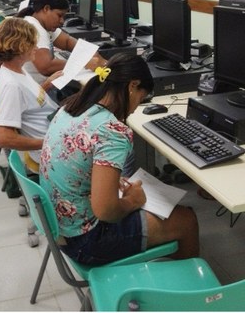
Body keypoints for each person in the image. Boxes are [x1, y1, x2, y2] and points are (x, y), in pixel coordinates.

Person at [39, 53, 199, 266]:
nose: (134, 108)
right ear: (133, 85)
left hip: (61, 227)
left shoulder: (70, 107)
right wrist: (133, 202)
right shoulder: (112, 131)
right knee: (186, 220)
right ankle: (183, 289)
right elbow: (106, 211)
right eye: (141, 99)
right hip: (86, 241)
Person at [0, 17, 61, 168]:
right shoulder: (12, 86)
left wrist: (47, 84)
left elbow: (28, 101)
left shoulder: (15, 69)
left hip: (55, 132)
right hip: (52, 150)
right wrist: (49, 143)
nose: (36, 47)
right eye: (32, 43)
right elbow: (4, 138)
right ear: (19, 47)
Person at [16, 0, 106, 86]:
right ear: (46, 9)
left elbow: (67, 41)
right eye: (59, 15)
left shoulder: (41, 24)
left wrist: (92, 53)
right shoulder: (35, 29)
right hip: (40, 91)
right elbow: (46, 67)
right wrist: (82, 63)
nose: (62, 21)